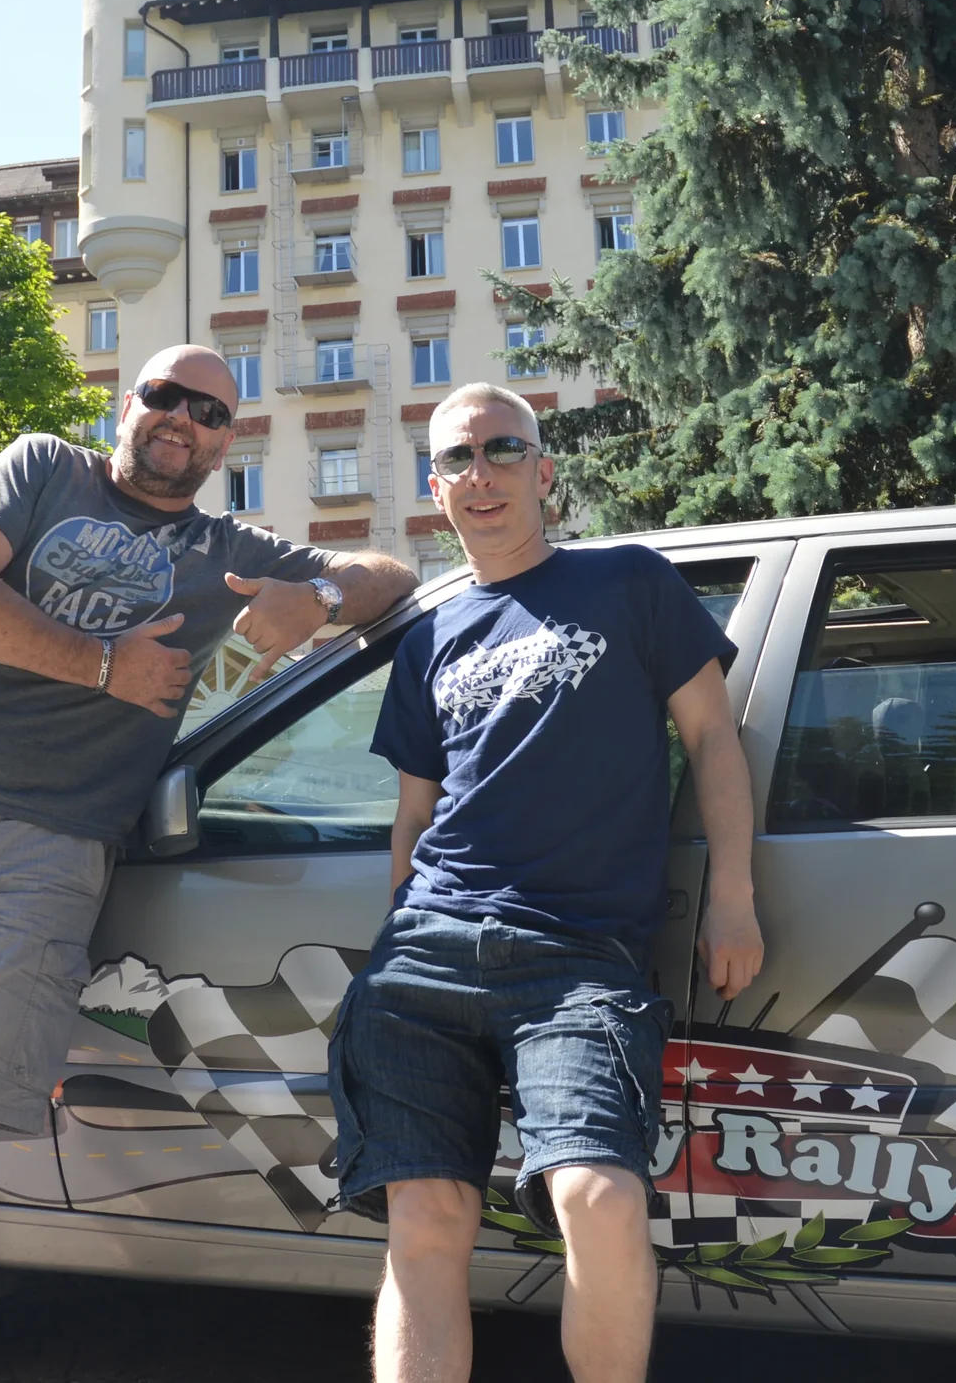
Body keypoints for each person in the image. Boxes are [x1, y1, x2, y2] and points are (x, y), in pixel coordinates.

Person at [0, 345, 415, 1383]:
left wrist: (320, 597)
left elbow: (396, 577)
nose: (183, 419)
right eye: (165, 396)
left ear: (228, 442)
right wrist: (104, 666)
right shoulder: (42, 468)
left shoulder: (225, 551)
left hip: (53, 853)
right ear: (126, 403)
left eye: (211, 411)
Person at [331, 382, 763, 1383]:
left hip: (576, 960)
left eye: (503, 450)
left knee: (598, 1198)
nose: (480, 473)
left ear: (544, 471)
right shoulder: (429, 636)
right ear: (435, 488)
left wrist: (733, 895)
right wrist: (398, 923)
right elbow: (414, 817)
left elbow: (713, 738)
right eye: (458, 458)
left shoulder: (628, 581)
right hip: (424, 955)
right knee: (425, 1216)